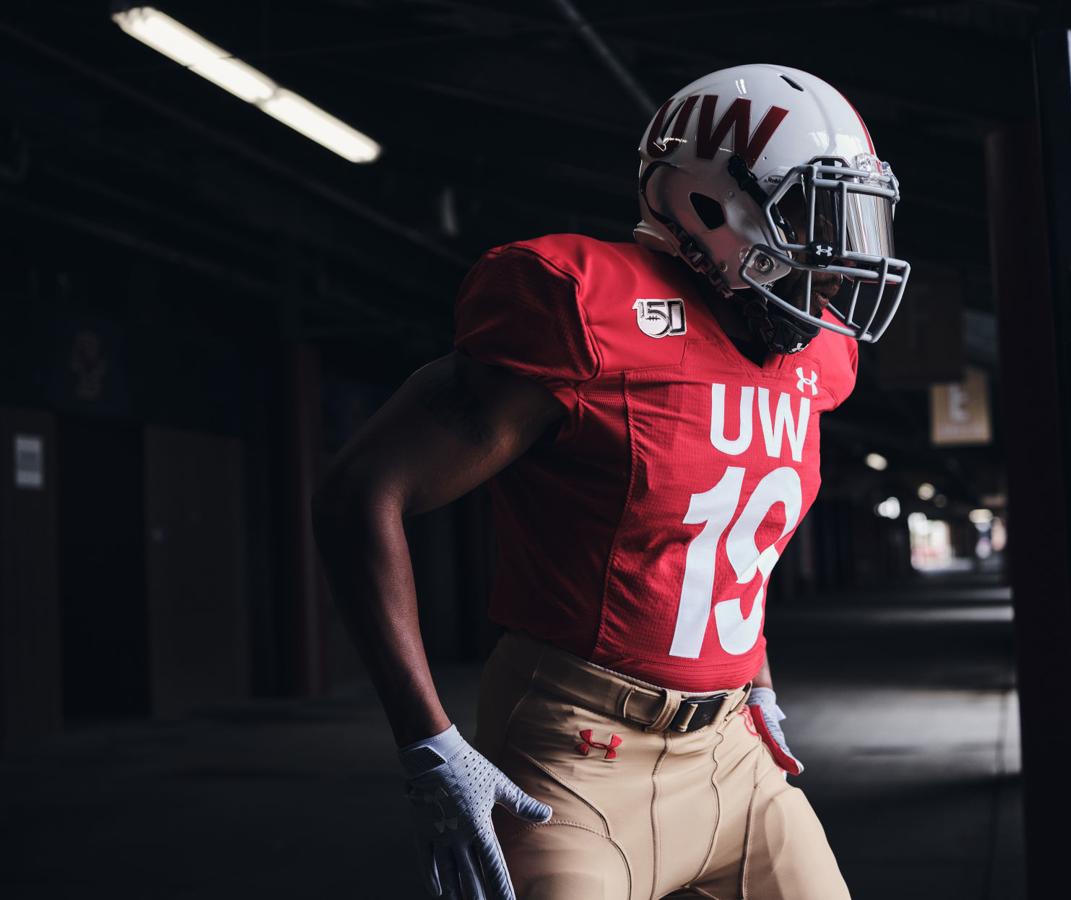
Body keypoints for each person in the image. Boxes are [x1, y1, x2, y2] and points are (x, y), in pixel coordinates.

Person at [313, 63, 910, 900]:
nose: (840, 255)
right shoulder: (583, 308)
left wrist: (755, 672)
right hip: (576, 759)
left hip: (735, 760)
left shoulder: (815, 356)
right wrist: (429, 745)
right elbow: (360, 493)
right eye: (813, 216)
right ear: (709, 205)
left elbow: (728, 531)